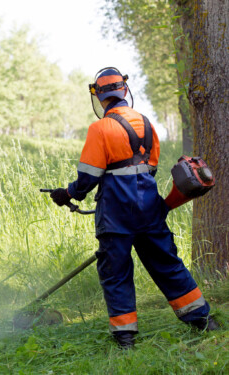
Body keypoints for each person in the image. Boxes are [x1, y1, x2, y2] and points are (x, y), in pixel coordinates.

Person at [50, 67, 217, 349]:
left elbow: (88, 179)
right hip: (150, 207)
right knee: (168, 265)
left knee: (116, 273)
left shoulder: (100, 128)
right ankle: (203, 321)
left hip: (116, 213)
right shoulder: (147, 123)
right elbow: (149, 167)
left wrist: (66, 193)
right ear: (124, 91)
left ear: (100, 97)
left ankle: (125, 338)